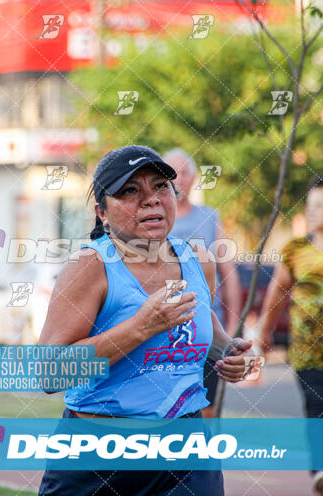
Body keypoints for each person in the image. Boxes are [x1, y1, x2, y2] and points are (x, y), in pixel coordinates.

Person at [38, 145, 254, 496]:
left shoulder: (198, 258)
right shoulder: (89, 269)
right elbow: (49, 374)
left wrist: (226, 349)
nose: (151, 200)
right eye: (130, 191)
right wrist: (140, 327)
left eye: (160, 186)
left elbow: (202, 321)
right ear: (101, 212)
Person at [163, 149, 242, 417]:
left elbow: (228, 274)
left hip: (207, 329)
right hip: (166, 334)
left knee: (207, 411)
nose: (179, 179)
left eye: (185, 172)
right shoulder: (157, 222)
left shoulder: (209, 218)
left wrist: (231, 329)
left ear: (195, 178)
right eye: (172, 172)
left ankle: (206, 457)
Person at [257, 175, 323, 495]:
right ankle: (319, 472)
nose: (313, 212)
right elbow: (277, 294)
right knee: (315, 409)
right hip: (308, 352)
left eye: (320, 206)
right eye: (310, 206)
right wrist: (263, 334)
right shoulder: (296, 249)